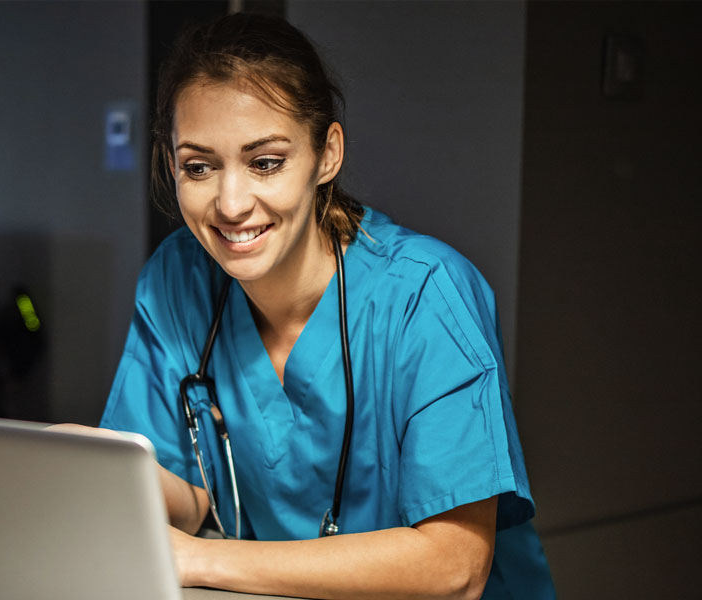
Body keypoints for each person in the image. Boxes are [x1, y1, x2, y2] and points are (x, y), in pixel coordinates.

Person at [98, 13, 555, 600]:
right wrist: (91, 471)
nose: (231, 203)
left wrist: (203, 561)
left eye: (265, 162)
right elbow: (190, 501)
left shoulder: (425, 294)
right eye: (199, 166)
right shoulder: (176, 279)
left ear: (327, 155)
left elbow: (454, 567)